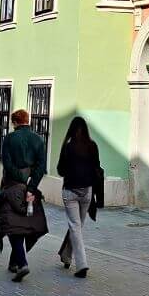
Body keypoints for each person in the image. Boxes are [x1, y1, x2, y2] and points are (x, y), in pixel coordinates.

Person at [0, 109, 47, 280]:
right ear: (28, 120)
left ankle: (22, 263)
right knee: (23, 223)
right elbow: (41, 166)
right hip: (30, 188)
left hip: (11, 186)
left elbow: (7, 163)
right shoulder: (38, 139)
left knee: (10, 224)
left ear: (15, 122)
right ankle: (14, 262)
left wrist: (19, 177)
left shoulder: (9, 138)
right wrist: (31, 187)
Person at [56, 116, 102, 278]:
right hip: (87, 191)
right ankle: (66, 255)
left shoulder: (68, 147)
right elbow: (97, 167)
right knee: (77, 226)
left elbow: (60, 170)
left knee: (75, 226)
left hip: (70, 190)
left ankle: (82, 265)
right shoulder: (92, 146)